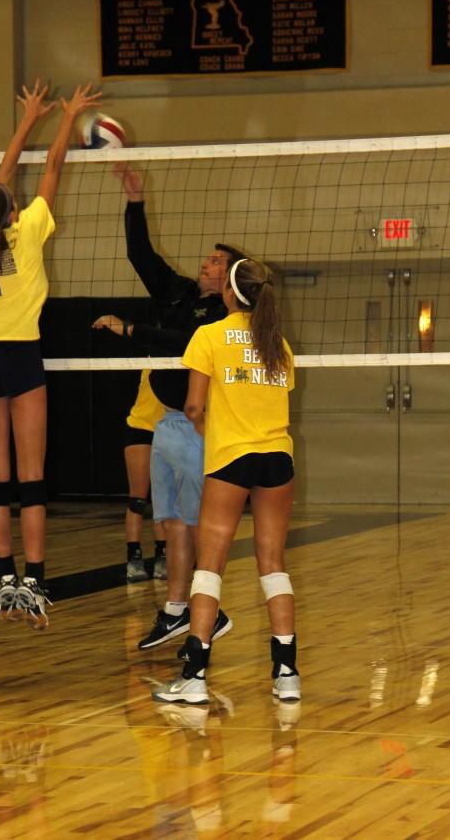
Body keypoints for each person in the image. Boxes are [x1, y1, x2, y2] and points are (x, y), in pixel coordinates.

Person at [0, 79, 101, 628]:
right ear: (13, 211)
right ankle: (34, 582)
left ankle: (5, 582)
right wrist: (63, 118)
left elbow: (1, 175)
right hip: (23, 358)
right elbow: (53, 166)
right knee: (31, 476)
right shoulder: (31, 228)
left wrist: (27, 120)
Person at [92, 164, 244, 650]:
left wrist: (132, 329)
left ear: (231, 277)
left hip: (203, 424)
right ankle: (178, 610)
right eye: (207, 258)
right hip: (167, 421)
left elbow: (185, 343)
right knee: (171, 522)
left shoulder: (224, 315)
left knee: (195, 523)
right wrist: (134, 201)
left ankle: (208, 611)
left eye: (217, 261)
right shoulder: (178, 293)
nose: (206, 262)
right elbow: (141, 255)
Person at [152, 257, 299, 704]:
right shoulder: (279, 343)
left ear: (229, 294)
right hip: (277, 458)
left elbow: (194, 408)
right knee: (273, 565)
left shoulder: (209, 336)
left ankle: (194, 679)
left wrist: (208, 432)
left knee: (209, 566)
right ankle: (287, 674)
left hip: (232, 458)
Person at [123, 369, 168, 582]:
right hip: (140, 428)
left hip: (169, 428)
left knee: (162, 499)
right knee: (137, 500)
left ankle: (163, 556)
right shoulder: (150, 351)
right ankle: (133, 559)